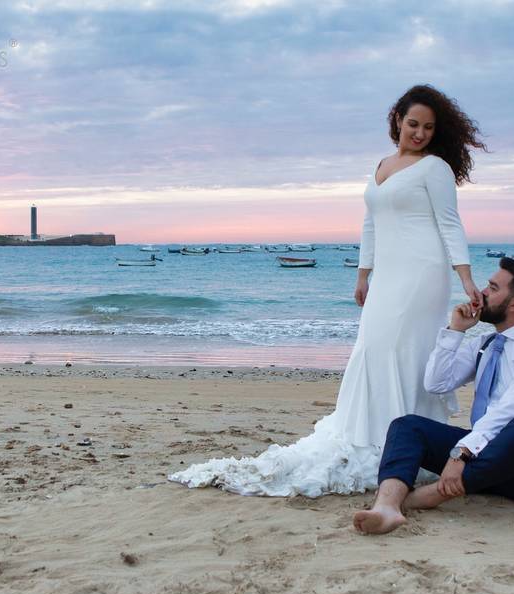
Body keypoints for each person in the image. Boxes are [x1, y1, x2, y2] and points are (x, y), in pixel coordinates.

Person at [169, 85, 486, 497]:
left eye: (428, 127)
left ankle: (402, 440)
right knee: (373, 347)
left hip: (423, 273)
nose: (419, 133)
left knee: (402, 349)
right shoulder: (383, 164)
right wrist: (362, 275)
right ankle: (379, 436)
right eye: (413, 124)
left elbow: (449, 223)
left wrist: (465, 278)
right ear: (397, 121)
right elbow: (370, 223)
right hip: (388, 274)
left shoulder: (435, 168)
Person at [353, 258, 514, 533]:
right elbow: (436, 382)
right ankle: (387, 506)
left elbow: (511, 411)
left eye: (492, 288)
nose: (481, 293)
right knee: (407, 426)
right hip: (486, 461)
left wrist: (460, 455)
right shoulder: (486, 344)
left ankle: (427, 496)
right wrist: (455, 330)